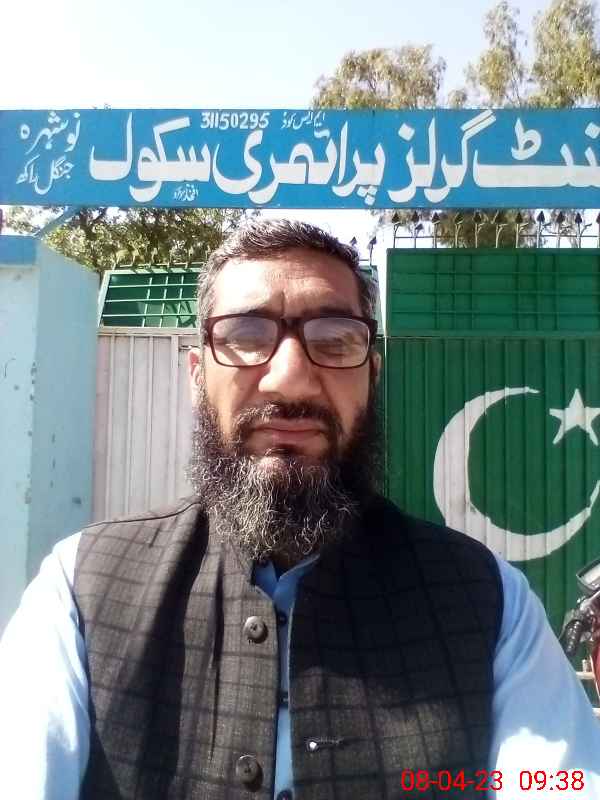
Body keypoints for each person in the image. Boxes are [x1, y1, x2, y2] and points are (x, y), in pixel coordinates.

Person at [1, 218, 599, 800]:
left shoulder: (491, 601)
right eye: (245, 336)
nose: (290, 380)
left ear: (372, 375)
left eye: (335, 341)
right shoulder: (80, 588)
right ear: (196, 374)